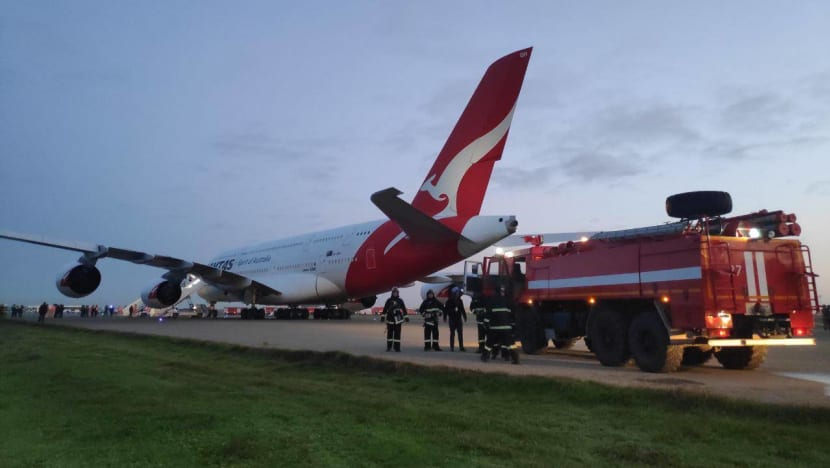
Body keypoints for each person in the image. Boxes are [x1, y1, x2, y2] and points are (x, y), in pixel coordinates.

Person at [481, 286, 519, 364]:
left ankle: (485, 356)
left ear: (495, 291)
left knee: (489, 343)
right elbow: (512, 313)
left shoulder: (492, 300)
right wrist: (513, 324)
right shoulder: (506, 300)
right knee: (511, 344)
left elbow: (488, 314)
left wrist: (485, 323)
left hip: (495, 327)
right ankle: (515, 359)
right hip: (506, 327)